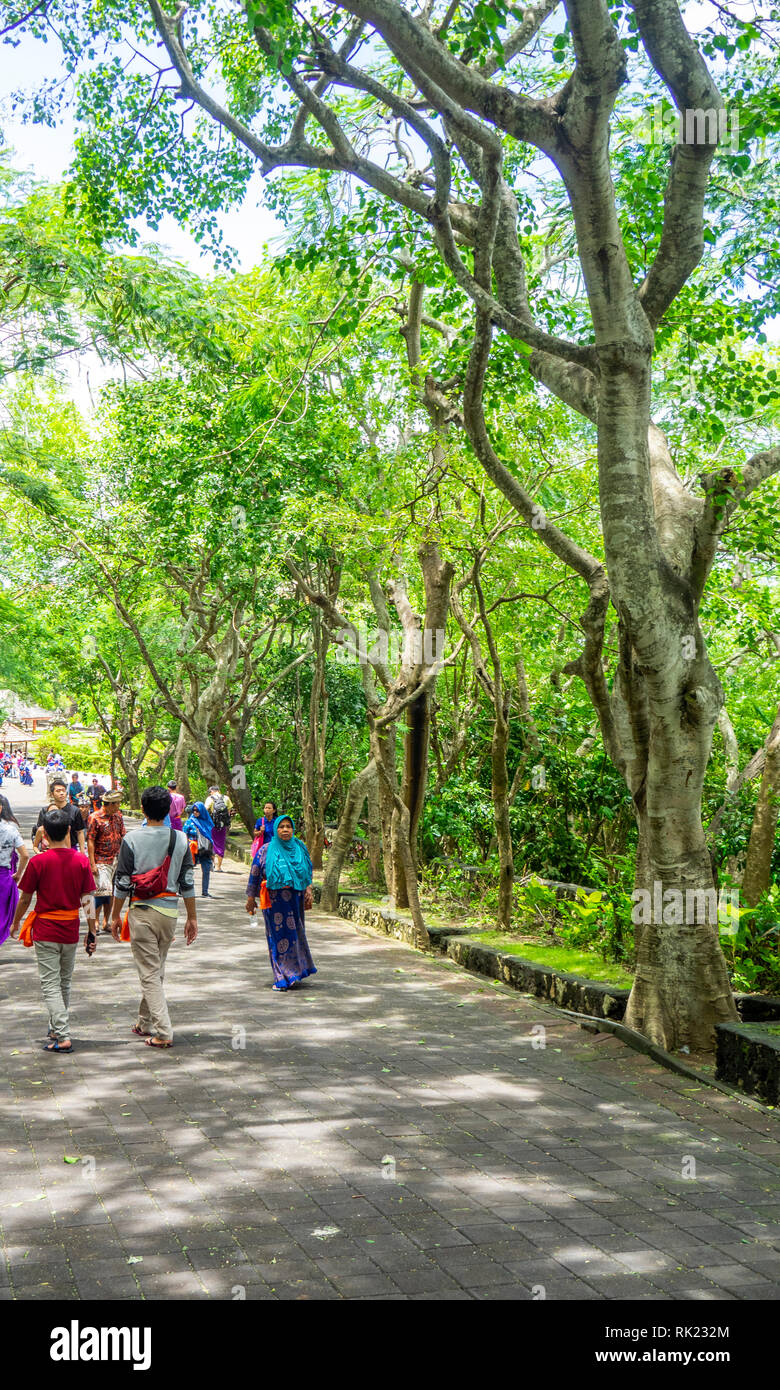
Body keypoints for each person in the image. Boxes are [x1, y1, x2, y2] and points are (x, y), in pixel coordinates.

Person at [110, 784, 198, 1049]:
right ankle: (143, 1022)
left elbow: (122, 882)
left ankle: (163, 1031)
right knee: (155, 969)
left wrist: (115, 915)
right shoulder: (181, 839)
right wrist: (192, 918)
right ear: (169, 809)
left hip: (143, 913)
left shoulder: (132, 840)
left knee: (149, 974)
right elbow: (188, 881)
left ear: (143, 809)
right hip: (169, 914)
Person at [10, 807, 97, 1053]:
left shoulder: (39, 862)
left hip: (46, 929)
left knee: (50, 983)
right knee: (64, 982)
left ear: (44, 834)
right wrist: (92, 930)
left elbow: (26, 899)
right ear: (69, 830)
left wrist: (16, 922)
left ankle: (62, 1034)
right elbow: (88, 899)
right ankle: (55, 1028)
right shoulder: (81, 861)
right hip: (70, 929)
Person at [246, 814, 316, 992]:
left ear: (293, 829)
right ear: (275, 829)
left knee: (295, 935)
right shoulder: (266, 850)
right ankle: (282, 976)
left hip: (295, 900)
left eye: (288, 826)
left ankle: (296, 971)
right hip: (274, 902)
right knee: (277, 938)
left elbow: (307, 871)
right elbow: (255, 873)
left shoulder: (300, 848)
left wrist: (309, 890)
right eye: (281, 827)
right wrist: (250, 899)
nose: (285, 830)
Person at [87, 788, 126, 933]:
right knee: (102, 891)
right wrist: (92, 863)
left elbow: (123, 836)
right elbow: (90, 840)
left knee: (113, 892)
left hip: (116, 858)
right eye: (116, 804)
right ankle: (95, 921)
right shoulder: (95, 817)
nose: (118, 807)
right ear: (109, 804)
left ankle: (106, 921)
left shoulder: (118, 816)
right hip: (101, 859)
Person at [0, 798, 28, 946]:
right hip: (3, 876)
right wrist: (18, 873)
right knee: (2, 914)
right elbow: (25, 855)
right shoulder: (10, 829)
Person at [33, 779, 86, 853]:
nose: (61, 793)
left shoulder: (75, 811)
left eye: (63, 791)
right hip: (49, 849)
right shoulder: (45, 811)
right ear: (52, 794)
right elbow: (40, 830)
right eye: (58, 791)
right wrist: (38, 850)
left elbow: (80, 832)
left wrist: (82, 850)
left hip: (71, 849)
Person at [183, 802, 216, 898]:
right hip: (192, 849)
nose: (195, 812)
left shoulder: (208, 822)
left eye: (197, 810)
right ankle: (184, 889)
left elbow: (211, 837)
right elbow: (184, 834)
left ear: (202, 811)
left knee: (206, 870)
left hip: (205, 850)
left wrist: (212, 852)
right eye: (193, 810)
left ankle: (205, 892)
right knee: (188, 869)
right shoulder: (190, 821)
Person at [204, 785, 233, 871]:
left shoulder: (210, 798)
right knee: (220, 844)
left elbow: (205, 810)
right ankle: (218, 867)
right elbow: (228, 812)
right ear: (219, 790)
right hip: (223, 825)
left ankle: (213, 864)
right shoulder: (226, 798)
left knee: (212, 843)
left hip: (213, 824)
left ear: (212, 791)